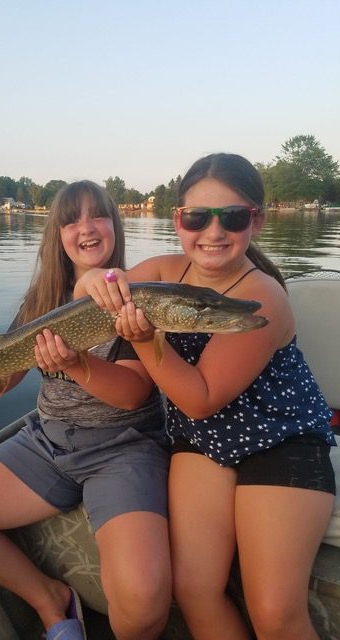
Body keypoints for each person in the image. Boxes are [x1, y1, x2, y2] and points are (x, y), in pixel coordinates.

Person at [75, 154, 336, 640]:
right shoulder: (160, 271)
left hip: (281, 441)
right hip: (203, 444)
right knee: (194, 590)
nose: (213, 232)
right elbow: (99, 288)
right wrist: (92, 280)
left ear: (255, 220)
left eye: (232, 217)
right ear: (179, 220)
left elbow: (200, 398)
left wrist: (142, 338)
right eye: (198, 217)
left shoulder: (262, 298)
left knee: (275, 613)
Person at [0, 180, 172, 640]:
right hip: (47, 442)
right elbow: (7, 371)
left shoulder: (136, 298)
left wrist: (75, 363)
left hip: (124, 450)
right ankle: (51, 601)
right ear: (57, 235)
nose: (87, 228)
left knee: (144, 602)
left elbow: (134, 394)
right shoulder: (42, 299)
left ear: (116, 226)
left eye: (98, 216)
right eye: (72, 219)